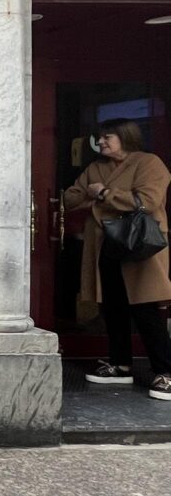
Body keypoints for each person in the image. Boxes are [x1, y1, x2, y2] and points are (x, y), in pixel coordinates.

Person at [63, 118, 171, 401]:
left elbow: (146, 201)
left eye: (106, 137)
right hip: (106, 246)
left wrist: (104, 193)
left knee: (146, 310)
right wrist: (96, 194)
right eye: (99, 138)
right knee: (113, 308)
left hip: (139, 245)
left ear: (126, 136)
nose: (100, 143)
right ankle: (120, 365)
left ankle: (165, 373)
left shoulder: (149, 163)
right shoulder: (96, 167)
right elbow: (71, 198)